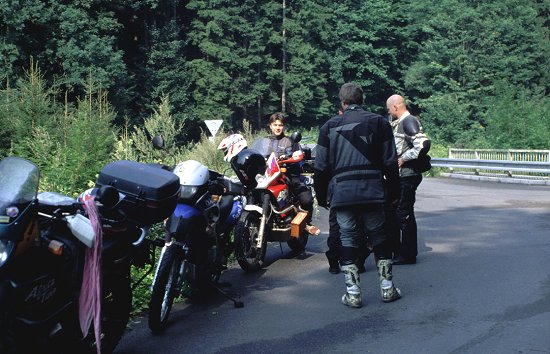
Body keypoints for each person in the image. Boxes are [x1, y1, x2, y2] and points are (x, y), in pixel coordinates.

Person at [314, 82, 401, 308]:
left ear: (342, 103)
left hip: (342, 193)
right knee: (379, 237)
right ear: (362, 100)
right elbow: (390, 162)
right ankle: (387, 289)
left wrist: (321, 196)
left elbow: (321, 167)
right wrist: (394, 192)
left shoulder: (329, 127)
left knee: (348, 239)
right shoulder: (380, 122)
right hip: (372, 192)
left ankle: (353, 294)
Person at [386, 94, 430, 265]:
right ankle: (399, 252)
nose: (389, 112)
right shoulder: (401, 122)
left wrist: (404, 157)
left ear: (395, 107)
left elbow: (423, 144)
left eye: (389, 109)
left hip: (407, 175)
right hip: (402, 175)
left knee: (403, 213)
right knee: (398, 213)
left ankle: (408, 254)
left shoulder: (408, 121)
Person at [266, 112, 319, 236]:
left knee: (306, 198)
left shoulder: (290, 141)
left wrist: (290, 158)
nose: (278, 128)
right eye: (275, 125)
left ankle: (306, 222)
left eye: (280, 125)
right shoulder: (265, 141)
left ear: (283, 126)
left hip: (289, 175)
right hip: (269, 176)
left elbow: (299, 155)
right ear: (270, 126)